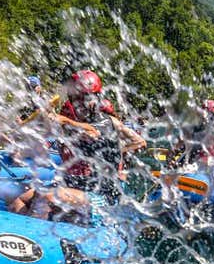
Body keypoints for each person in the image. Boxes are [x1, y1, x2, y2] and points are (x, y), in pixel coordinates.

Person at [51, 70, 145, 198]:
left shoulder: (107, 121)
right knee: (27, 197)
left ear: (94, 99)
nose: (76, 105)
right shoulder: (79, 124)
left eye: (80, 99)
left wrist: (64, 121)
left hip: (102, 194)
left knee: (49, 197)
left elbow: (92, 132)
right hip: (80, 183)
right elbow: (140, 142)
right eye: (74, 99)